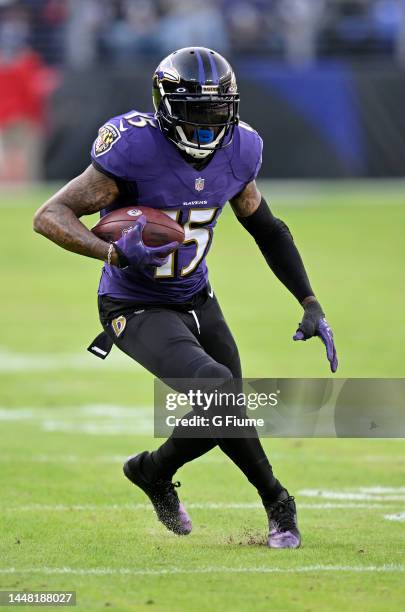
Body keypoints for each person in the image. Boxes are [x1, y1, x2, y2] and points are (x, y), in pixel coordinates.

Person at [33, 46, 337, 549]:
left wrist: (309, 300)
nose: (206, 129)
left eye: (217, 115)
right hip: (134, 302)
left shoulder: (241, 149)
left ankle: (251, 498)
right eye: (195, 115)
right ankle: (248, 493)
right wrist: (111, 254)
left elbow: (265, 226)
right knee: (217, 387)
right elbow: (50, 215)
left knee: (228, 406)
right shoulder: (133, 148)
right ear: (167, 108)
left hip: (197, 294)